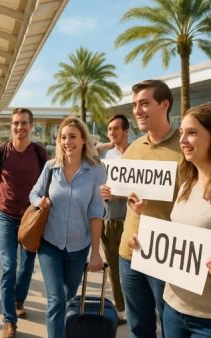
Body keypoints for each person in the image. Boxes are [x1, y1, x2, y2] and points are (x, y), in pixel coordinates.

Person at [102, 80, 181, 338]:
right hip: (129, 253)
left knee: (171, 328)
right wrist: (111, 192)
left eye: (145, 104)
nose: (137, 111)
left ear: (165, 104)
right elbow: (123, 192)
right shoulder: (133, 149)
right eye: (135, 105)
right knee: (139, 328)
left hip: (165, 255)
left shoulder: (185, 147)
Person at [128, 102, 211, 337]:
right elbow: (180, 234)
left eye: (192, 132)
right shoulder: (187, 184)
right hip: (173, 308)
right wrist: (148, 242)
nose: (183, 140)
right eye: (182, 132)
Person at [29, 116, 105, 338]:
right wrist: (38, 202)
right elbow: (34, 192)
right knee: (56, 300)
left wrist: (96, 253)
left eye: (72, 136)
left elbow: (96, 213)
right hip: (49, 243)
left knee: (68, 295)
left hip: (79, 246)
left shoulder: (95, 171)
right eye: (63, 137)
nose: (67, 141)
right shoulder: (51, 167)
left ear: (83, 140)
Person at [0, 108, 46, 338]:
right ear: (11, 126)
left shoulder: (39, 152)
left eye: (24, 123)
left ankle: (19, 299)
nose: (20, 127)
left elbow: (48, 181)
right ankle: (9, 320)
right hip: (5, 216)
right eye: (16, 123)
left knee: (27, 264)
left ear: (31, 125)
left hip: (31, 216)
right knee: (9, 266)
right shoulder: (0, 151)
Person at [96, 114, 130, 325]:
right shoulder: (106, 154)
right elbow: (89, 150)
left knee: (135, 270)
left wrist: (119, 193)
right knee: (115, 269)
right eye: (110, 129)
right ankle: (120, 309)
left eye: (117, 129)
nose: (112, 132)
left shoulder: (138, 153)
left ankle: (139, 307)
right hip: (107, 219)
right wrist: (111, 142)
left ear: (127, 130)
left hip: (130, 220)